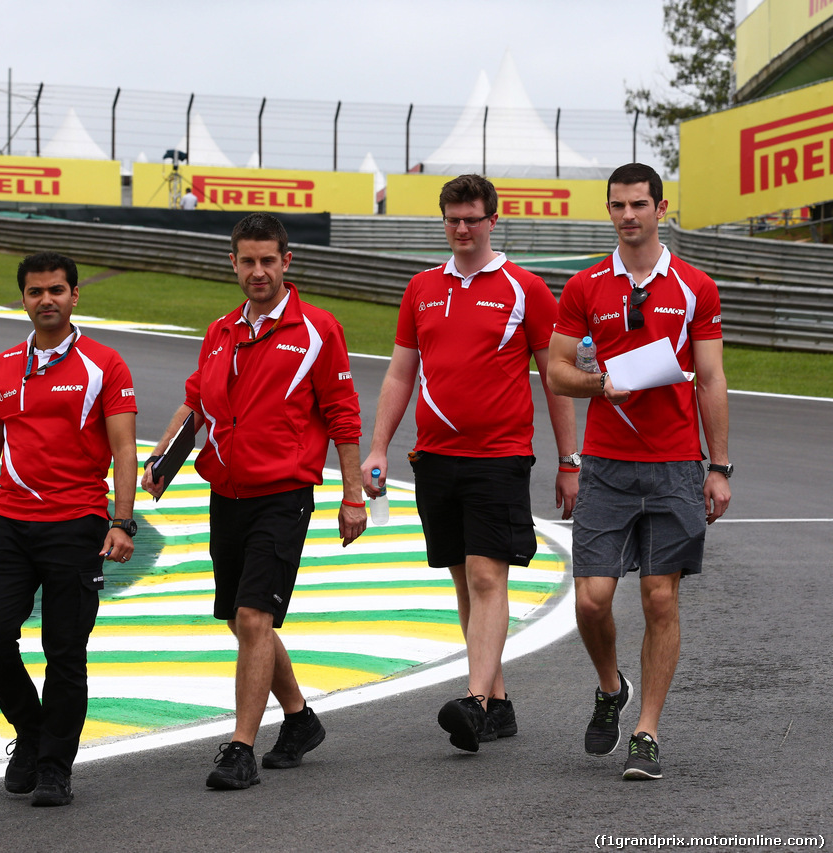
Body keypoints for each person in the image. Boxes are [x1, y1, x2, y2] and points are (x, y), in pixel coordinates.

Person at [141, 212, 366, 790]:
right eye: (248, 261)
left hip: (283, 493)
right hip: (226, 491)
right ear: (233, 263)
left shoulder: (318, 329)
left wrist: (352, 496)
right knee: (247, 624)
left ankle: (240, 746)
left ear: (287, 262)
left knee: (253, 616)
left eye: (269, 260)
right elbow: (196, 405)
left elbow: (342, 415)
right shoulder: (220, 331)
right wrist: (162, 458)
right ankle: (299, 719)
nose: (258, 271)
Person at [360, 174, 580, 753]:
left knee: (487, 576)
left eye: (472, 219)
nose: (462, 229)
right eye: (452, 219)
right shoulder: (421, 288)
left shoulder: (525, 288)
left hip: (499, 456)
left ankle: (475, 702)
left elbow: (556, 380)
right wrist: (379, 446)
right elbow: (400, 373)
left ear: (492, 221)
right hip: (434, 457)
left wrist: (569, 460)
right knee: (464, 580)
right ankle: (499, 700)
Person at [545, 163, 731, 781]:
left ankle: (647, 731)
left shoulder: (696, 286)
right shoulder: (584, 286)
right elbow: (556, 371)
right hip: (606, 465)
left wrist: (719, 465)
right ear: (609, 210)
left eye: (639, 205)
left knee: (659, 597)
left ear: (661, 207)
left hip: (676, 464)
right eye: (618, 206)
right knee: (592, 600)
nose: (629, 216)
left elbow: (710, 379)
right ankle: (610, 686)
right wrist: (601, 384)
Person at [0, 251, 138, 807]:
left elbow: (124, 446)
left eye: (57, 290)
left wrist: (121, 520)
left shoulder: (106, 363)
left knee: (65, 651)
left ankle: (55, 766)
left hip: (76, 524)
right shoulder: (3, 365)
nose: (46, 299)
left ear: (75, 296)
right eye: (36, 292)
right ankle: (31, 734)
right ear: (24, 299)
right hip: (7, 524)